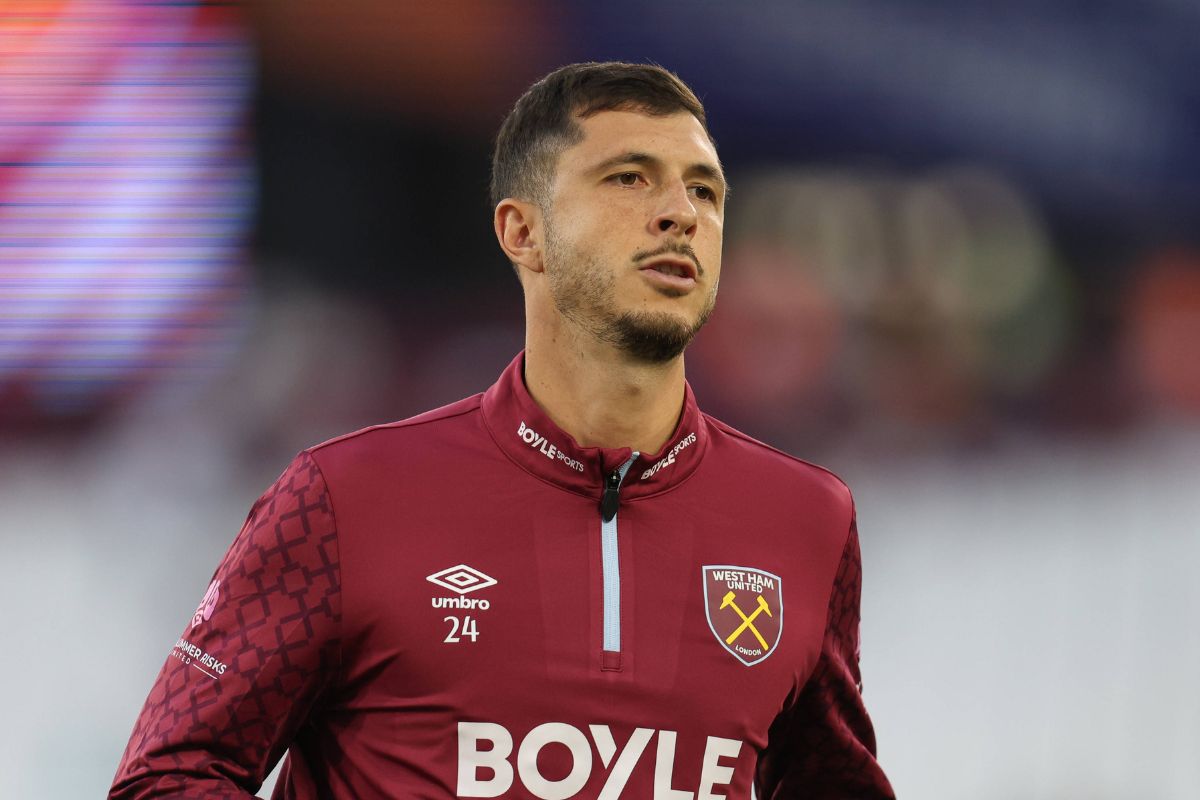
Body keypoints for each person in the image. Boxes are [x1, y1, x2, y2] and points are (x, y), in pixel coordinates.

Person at [110, 62, 895, 799]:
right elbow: (167, 776)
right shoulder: (344, 500)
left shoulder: (807, 521)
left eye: (704, 190)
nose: (680, 214)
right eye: (629, 178)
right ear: (523, 232)